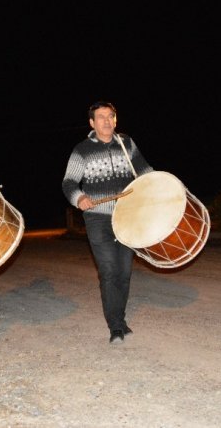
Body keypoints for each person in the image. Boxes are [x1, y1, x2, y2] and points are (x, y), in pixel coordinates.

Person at [62, 101, 153, 344]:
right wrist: (79, 197)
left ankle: (119, 318)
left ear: (116, 119)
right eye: (101, 117)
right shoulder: (82, 150)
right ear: (92, 123)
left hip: (128, 217)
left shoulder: (127, 144)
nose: (106, 121)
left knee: (124, 272)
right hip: (98, 219)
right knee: (109, 271)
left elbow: (144, 171)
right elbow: (69, 182)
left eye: (110, 116)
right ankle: (115, 325)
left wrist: (158, 188)